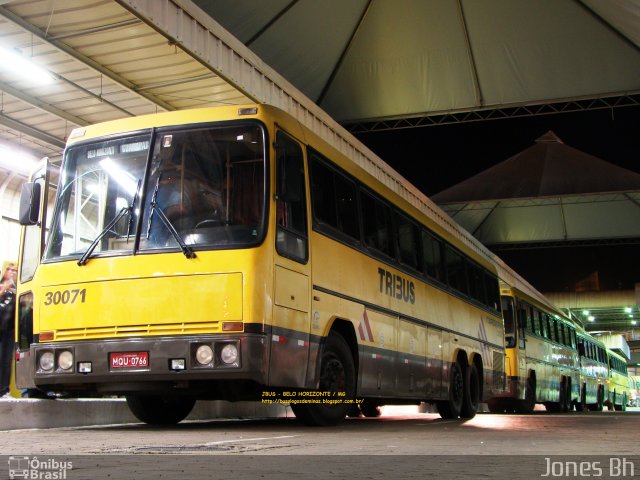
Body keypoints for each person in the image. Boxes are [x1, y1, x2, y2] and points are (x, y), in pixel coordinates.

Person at [0, 262, 17, 398]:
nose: (11, 272)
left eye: (15, 270)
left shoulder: (17, 290)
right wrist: (4, 289)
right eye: (9, 269)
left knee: (6, 361)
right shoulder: (2, 287)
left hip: (8, 329)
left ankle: (4, 390)